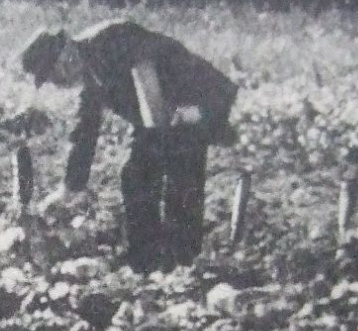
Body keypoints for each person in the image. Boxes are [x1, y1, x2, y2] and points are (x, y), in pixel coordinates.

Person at [19, 19, 238, 271]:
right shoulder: (90, 74)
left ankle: (183, 262)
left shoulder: (111, 39)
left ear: (66, 55)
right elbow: (85, 132)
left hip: (195, 98)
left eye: (53, 74)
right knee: (135, 177)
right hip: (161, 115)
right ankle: (145, 261)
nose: (57, 83)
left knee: (180, 176)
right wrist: (70, 187)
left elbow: (148, 80)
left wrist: (170, 132)